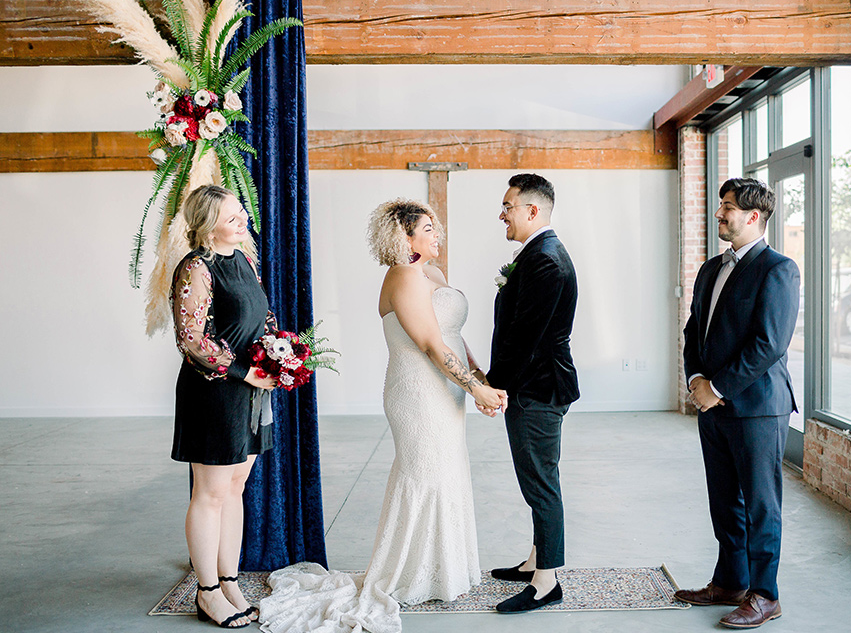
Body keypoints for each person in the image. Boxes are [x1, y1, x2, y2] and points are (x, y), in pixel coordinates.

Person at [258, 198, 507, 633]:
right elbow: (430, 343)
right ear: (404, 238)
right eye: (427, 228)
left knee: (448, 470)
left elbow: (452, 334)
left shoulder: (433, 274)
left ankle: (443, 570)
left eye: (435, 226)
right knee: (425, 473)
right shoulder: (404, 278)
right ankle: (406, 574)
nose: (437, 234)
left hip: (448, 387)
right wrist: (476, 387)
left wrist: (479, 374)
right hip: (417, 391)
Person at [677, 177, 800, 629]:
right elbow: (694, 331)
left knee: (761, 504)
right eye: (720, 205)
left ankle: (765, 595)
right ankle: (731, 581)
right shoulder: (710, 268)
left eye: (727, 207)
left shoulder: (778, 269)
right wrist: (695, 379)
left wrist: (718, 387)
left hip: (758, 408)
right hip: (712, 405)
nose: (719, 214)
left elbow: (768, 343)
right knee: (724, 499)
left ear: (753, 216)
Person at [170, 185, 278, 629]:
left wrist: (277, 356)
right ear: (205, 223)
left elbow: (262, 317)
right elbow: (191, 339)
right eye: (232, 217)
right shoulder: (196, 267)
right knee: (210, 494)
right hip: (214, 394)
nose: (243, 221)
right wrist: (243, 373)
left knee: (234, 489)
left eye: (241, 214)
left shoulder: (244, 260)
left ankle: (229, 581)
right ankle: (207, 591)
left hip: (252, 391)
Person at [483, 173, 580, 614]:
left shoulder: (546, 260)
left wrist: (491, 383)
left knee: (541, 484)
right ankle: (535, 560)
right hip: (534, 384)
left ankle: (546, 582)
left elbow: (526, 338)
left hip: (538, 388)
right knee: (537, 479)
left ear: (532, 210)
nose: (502, 213)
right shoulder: (538, 254)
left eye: (508, 205)